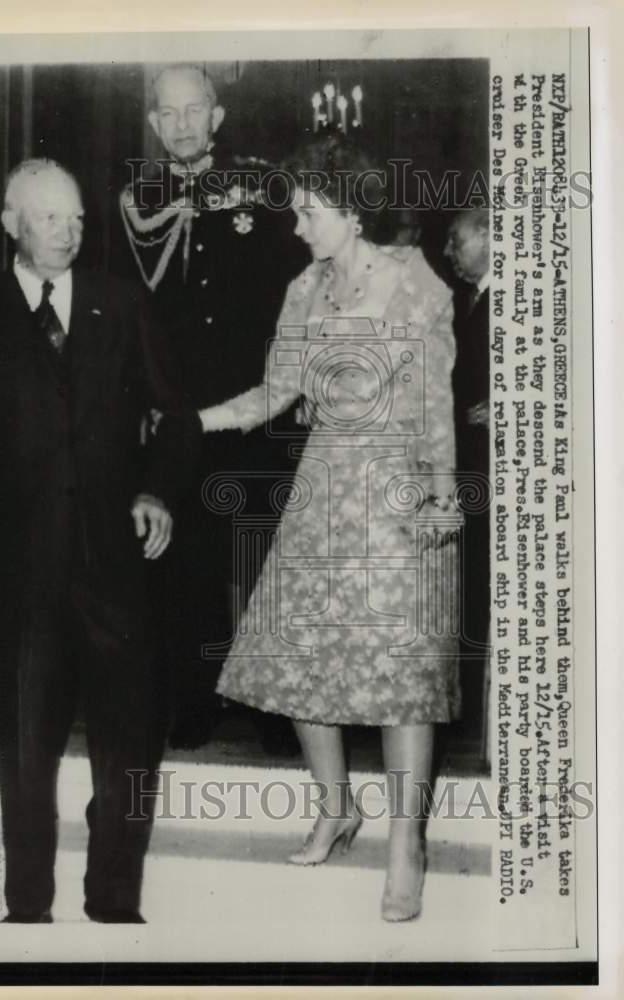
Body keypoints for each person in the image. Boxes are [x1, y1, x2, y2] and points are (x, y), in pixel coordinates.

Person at [0, 158, 200, 924]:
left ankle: (114, 906)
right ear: (11, 223)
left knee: (129, 749)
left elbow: (178, 423)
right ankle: (27, 911)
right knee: (24, 750)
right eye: (50, 218)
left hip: (117, 571)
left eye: (77, 218)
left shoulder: (123, 303)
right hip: (14, 576)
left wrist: (157, 492)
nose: (68, 233)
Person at [198, 134, 462, 922]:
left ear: (349, 212)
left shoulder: (418, 285)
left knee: (402, 672)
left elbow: (435, 405)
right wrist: (191, 422)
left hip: (399, 490)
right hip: (322, 487)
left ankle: (404, 846)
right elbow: (274, 392)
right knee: (305, 655)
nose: (299, 227)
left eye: (309, 213)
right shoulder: (303, 289)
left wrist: (444, 497)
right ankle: (333, 807)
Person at [119, 63, 307, 751]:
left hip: (255, 402)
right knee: (183, 560)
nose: (181, 125)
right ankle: (193, 702)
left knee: (263, 553)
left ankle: (274, 709)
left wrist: (301, 384)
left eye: (193, 110)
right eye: (167, 115)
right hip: (175, 405)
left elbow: (299, 288)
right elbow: (129, 311)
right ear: (153, 124)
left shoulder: (264, 185)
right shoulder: (139, 196)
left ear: (217, 116)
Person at [444, 208, 490, 722]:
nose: (449, 252)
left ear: (488, 237)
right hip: (466, 464)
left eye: (457, 241)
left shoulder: (516, 300)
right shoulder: (466, 302)